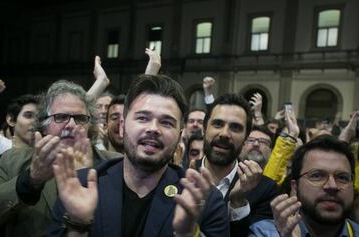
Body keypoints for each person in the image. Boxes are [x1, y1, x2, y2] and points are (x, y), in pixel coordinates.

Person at [47, 75, 230, 237]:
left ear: (180, 134)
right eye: (142, 118)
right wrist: (78, 226)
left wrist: (189, 234)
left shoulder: (205, 202)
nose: (153, 129)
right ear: (122, 126)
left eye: (166, 122)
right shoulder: (80, 186)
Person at [0, 80, 123, 237]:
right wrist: (30, 180)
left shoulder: (114, 164)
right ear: (44, 124)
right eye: (61, 117)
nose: (71, 124)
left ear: (89, 125)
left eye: (80, 118)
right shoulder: (13, 160)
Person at [196, 93, 278, 237]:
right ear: (204, 129)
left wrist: (238, 203)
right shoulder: (178, 175)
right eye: (218, 124)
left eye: (235, 127)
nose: (224, 134)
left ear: (246, 138)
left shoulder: (264, 189)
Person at [250, 135, 359, 237]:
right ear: (295, 187)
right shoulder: (265, 233)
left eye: (342, 178)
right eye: (317, 176)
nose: (332, 186)